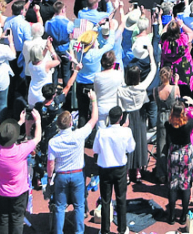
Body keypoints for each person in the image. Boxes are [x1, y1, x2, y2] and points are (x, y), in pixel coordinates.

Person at [46, 94, 98, 234]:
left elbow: (50, 163)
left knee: (59, 206)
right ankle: (79, 232)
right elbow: (94, 119)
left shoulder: (53, 142)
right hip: (77, 175)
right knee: (79, 206)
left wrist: (50, 179)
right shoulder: (79, 135)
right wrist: (93, 100)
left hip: (61, 175)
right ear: (70, 123)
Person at [0, 111, 41, 234]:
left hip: (1, 192)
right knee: (17, 220)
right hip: (18, 193)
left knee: (3, 219)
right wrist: (38, 121)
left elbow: (4, 136)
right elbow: (37, 138)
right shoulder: (20, 150)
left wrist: (19, 122)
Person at [91, 105, 135, 234]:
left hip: (105, 169)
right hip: (120, 169)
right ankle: (122, 229)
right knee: (121, 198)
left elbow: (95, 150)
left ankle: (105, 230)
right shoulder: (126, 132)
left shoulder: (101, 132)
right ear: (121, 118)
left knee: (105, 200)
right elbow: (131, 148)